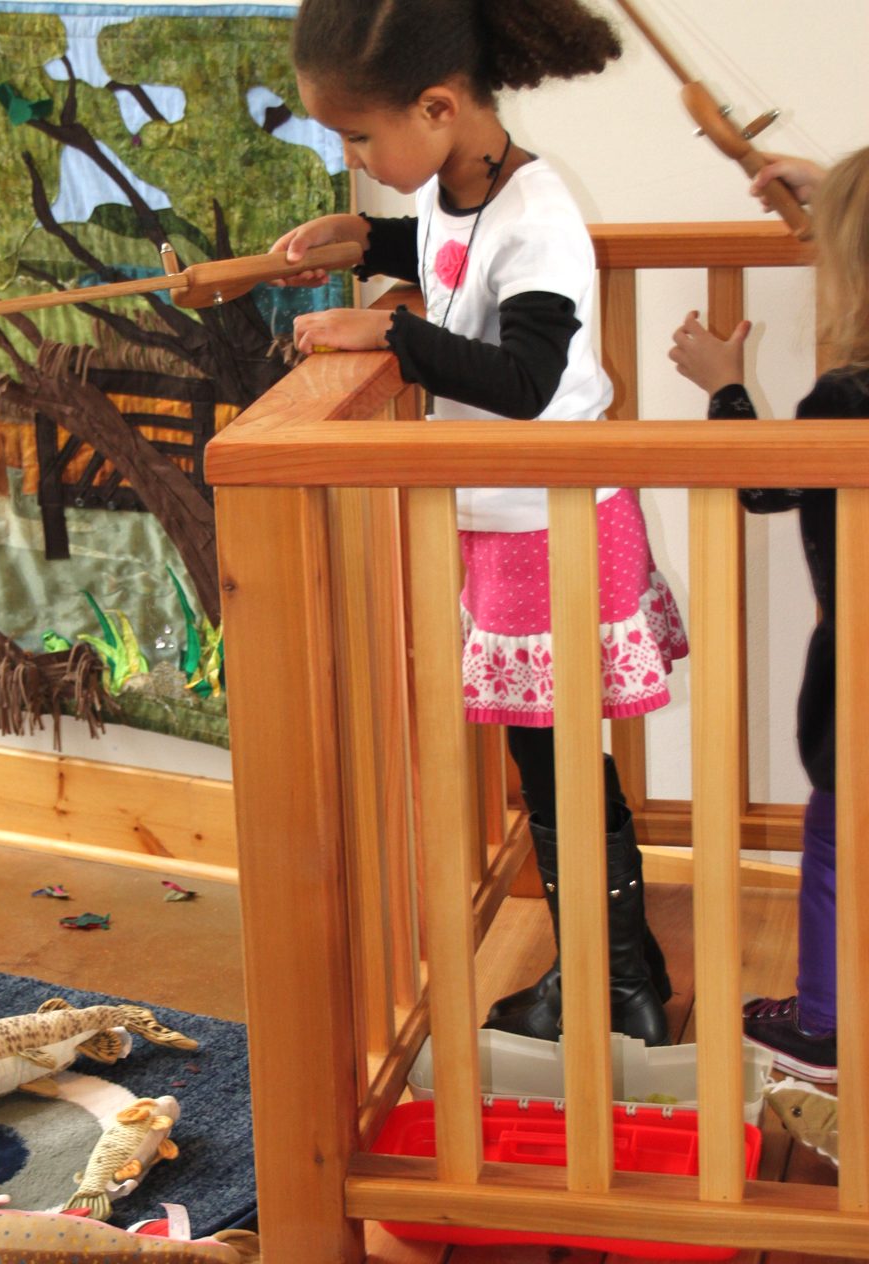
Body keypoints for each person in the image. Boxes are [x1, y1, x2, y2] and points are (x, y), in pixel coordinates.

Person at [271, 0, 688, 1046]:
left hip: (550, 525)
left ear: (437, 106)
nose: (358, 155)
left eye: (363, 138)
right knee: (546, 766)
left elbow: (525, 376)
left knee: (553, 768)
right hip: (514, 526)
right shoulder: (470, 189)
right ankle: (619, 967)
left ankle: (612, 979)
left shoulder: (539, 211)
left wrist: (394, 334)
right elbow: (456, 249)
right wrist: (367, 236)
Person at [668, 146, 869, 1084]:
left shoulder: (847, 402)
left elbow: (760, 484)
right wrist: (831, 184)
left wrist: (725, 385)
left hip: (861, 689)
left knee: (834, 845)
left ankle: (825, 1026)